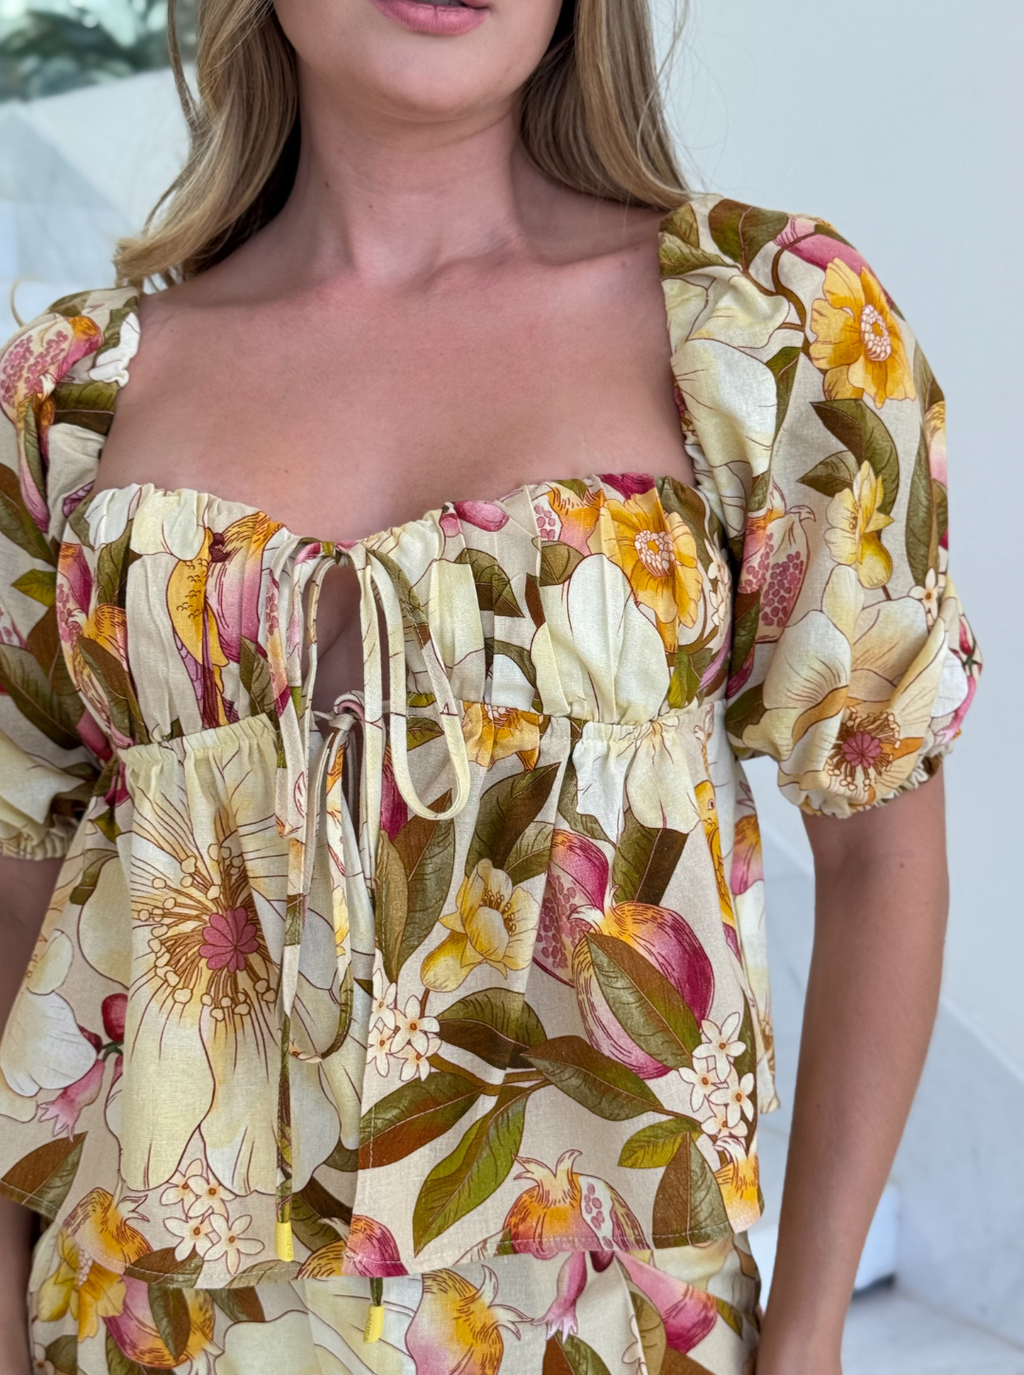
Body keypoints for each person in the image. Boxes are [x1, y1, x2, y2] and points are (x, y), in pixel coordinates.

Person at [0, 0, 982, 1371]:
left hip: (605, 1331)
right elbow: (21, 881)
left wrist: (808, 1333)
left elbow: (880, 847)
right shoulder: (67, 400)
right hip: (141, 1325)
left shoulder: (766, 328)